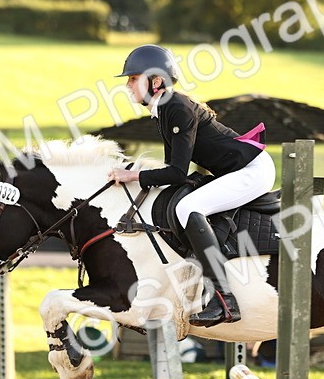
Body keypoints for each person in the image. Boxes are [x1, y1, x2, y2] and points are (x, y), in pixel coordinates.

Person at [106, 45, 276, 327]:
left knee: (188, 206)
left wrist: (133, 176)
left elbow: (175, 172)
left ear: (156, 81)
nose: (127, 85)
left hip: (252, 172)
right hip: (236, 171)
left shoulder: (176, 108)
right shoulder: (165, 109)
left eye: (133, 78)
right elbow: (175, 170)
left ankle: (224, 299)